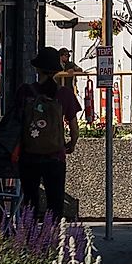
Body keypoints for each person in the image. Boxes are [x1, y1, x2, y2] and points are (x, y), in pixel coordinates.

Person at [10, 48, 80, 218]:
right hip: (55, 155)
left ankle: (28, 240)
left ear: (37, 69)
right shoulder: (64, 94)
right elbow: (73, 126)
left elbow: (15, 121)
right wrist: (71, 144)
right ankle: (53, 239)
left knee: (30, 202)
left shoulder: (24, 91)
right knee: (55, 204)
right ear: (57, 70)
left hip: (28, 155)